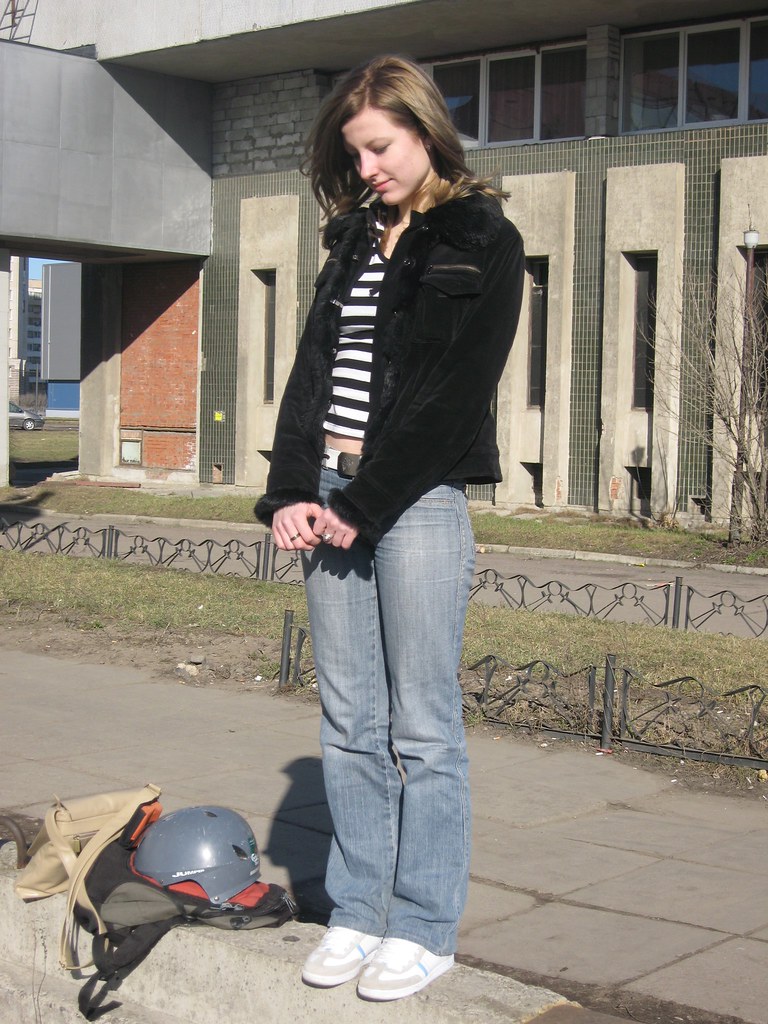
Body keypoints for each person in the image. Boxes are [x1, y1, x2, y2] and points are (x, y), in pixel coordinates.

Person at [255, 53, 524, 1001]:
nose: (367, 168)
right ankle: (359, 908)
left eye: (379, 147)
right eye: (356, 154)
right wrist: (293, 491)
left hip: (416, 500)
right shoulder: (353, 239)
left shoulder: (483, 237)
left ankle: (421, 927)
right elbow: (312, 374)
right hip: (329, 489)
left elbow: (454, 399)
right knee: (349, 720)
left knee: (424, 727)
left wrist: (359, 505)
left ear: (424, 130)